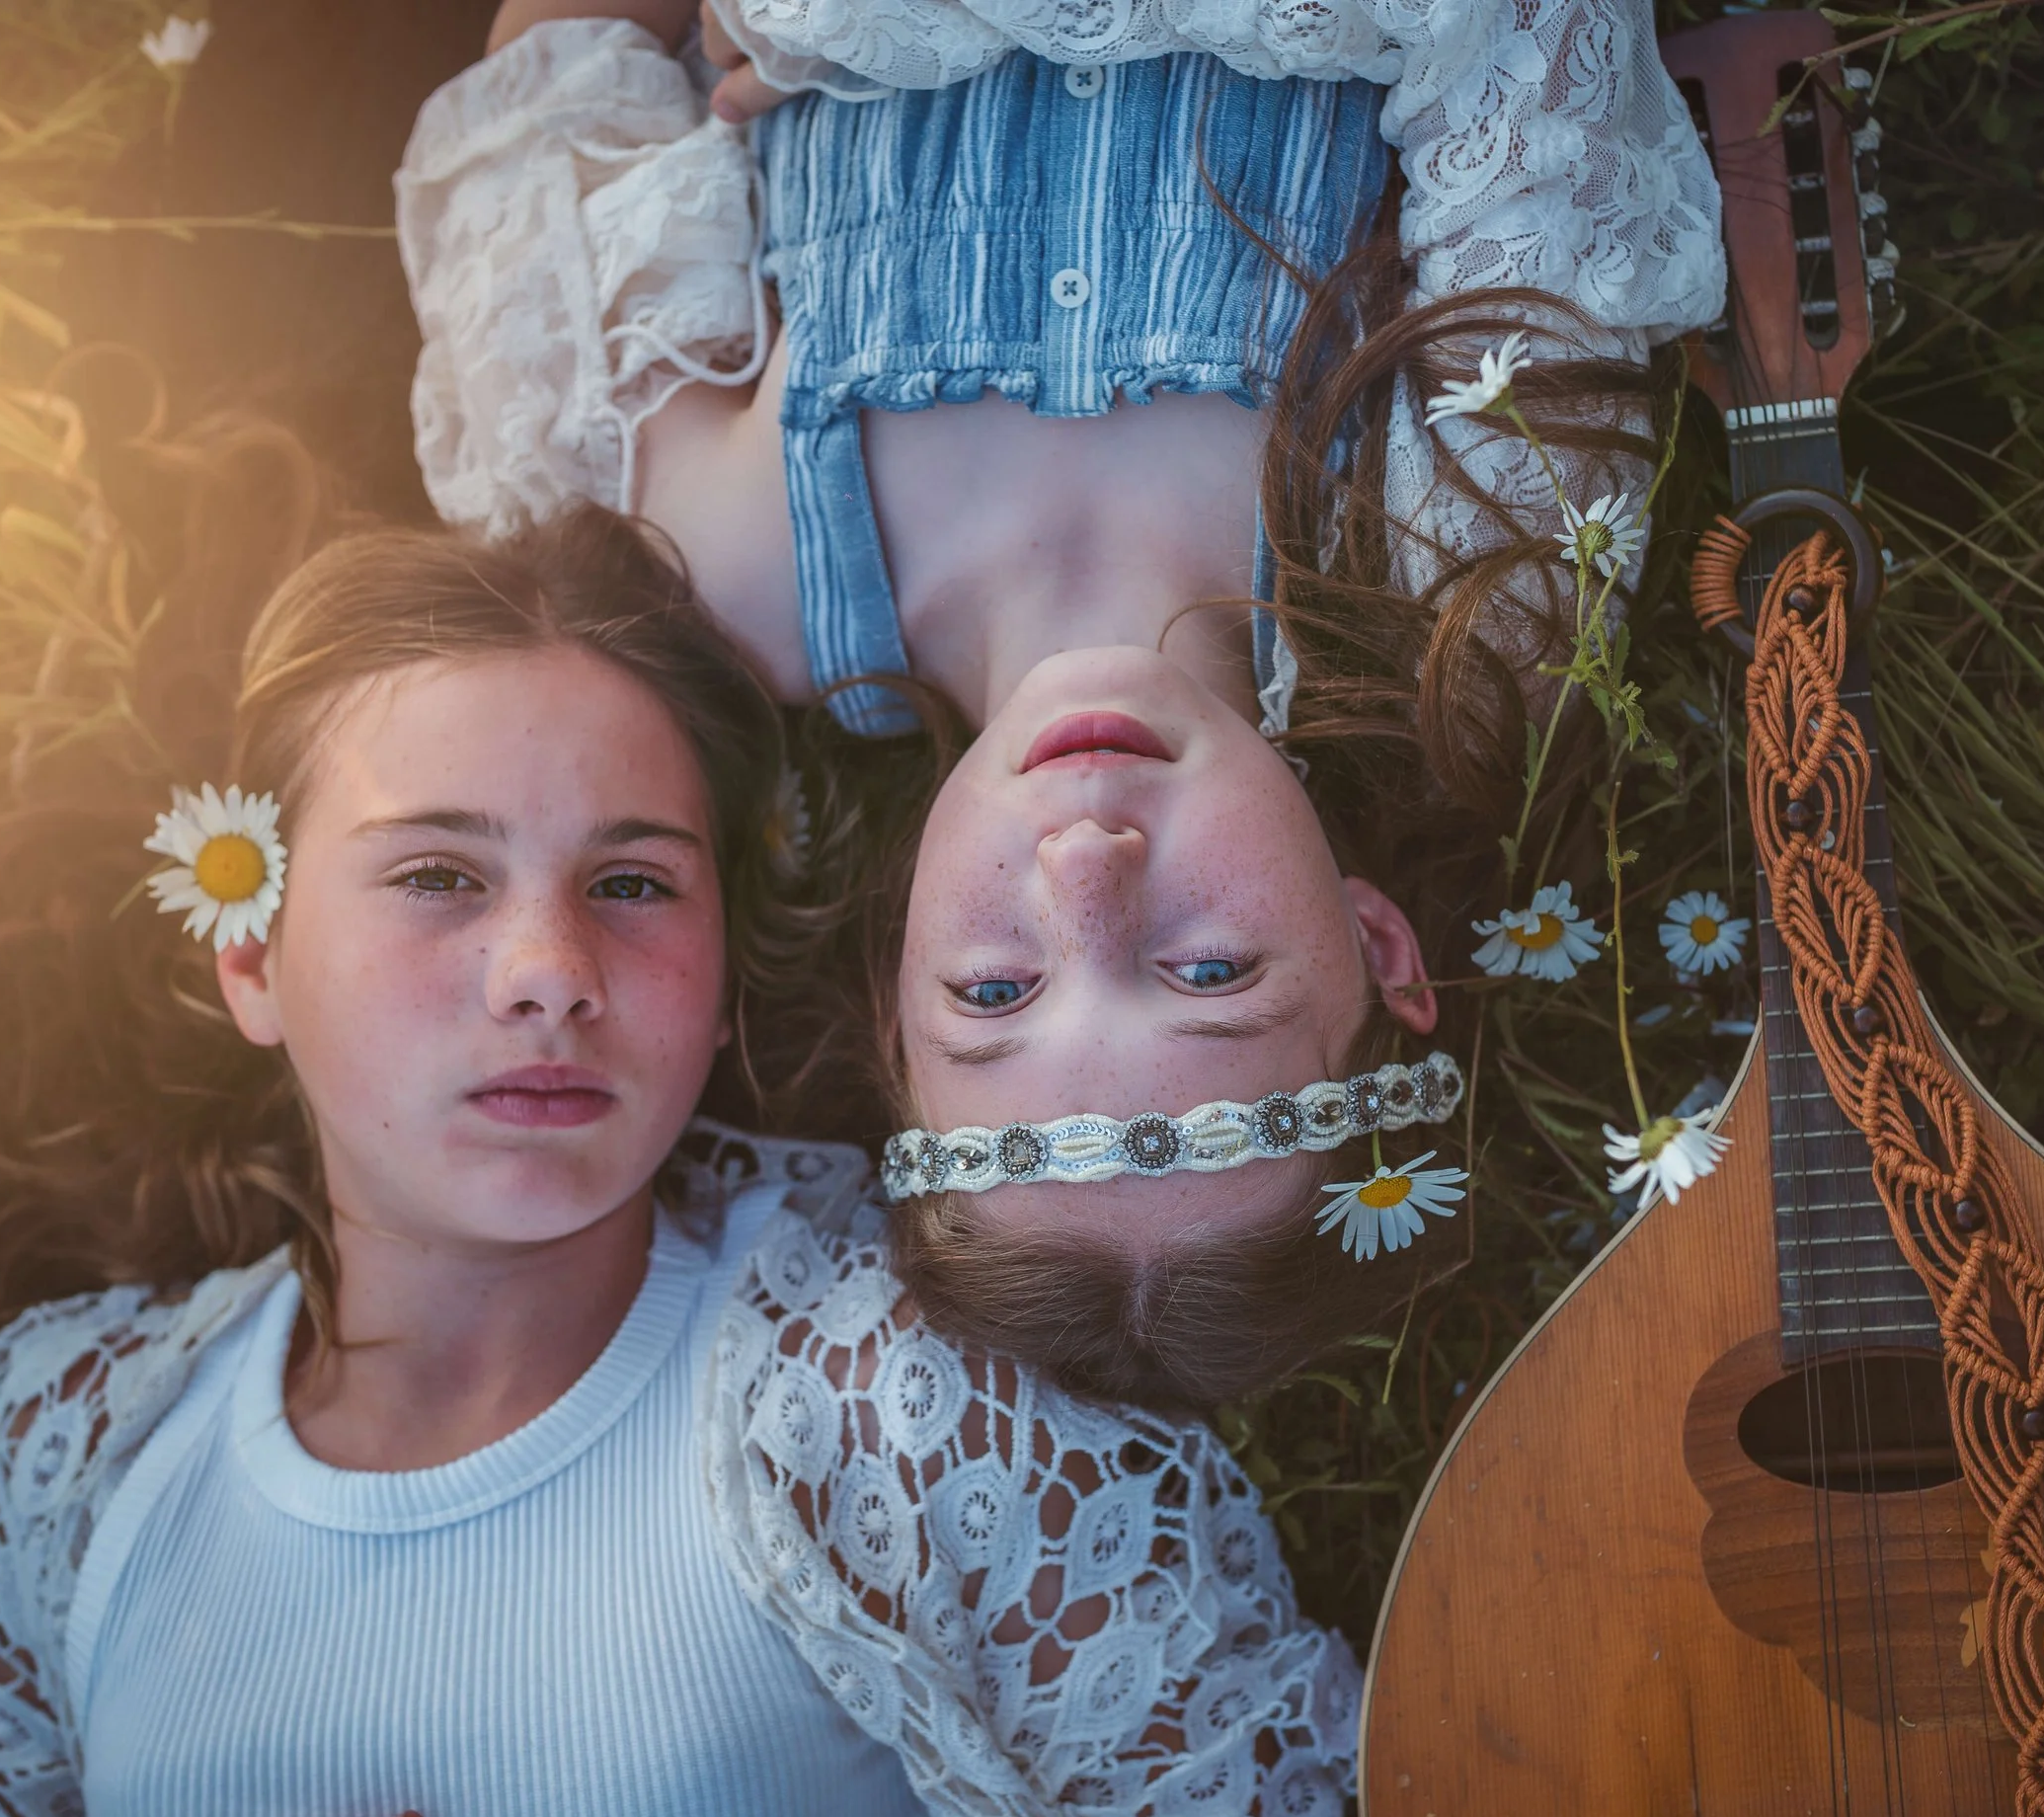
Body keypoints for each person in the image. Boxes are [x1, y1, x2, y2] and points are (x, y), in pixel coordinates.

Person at [0, 509, 1369, 1817]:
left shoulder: (921, 1412)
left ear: (723, 962)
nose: (548, 967)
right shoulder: (58, 1463)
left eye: (631, 885)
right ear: (249, 960)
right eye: (435, 877)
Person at [395, 0, 1722, 1403]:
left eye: (998, 990)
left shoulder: (698, 562)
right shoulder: (1465, 592)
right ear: (1377, 942)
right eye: (1210, 975)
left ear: (903, 998)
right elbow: (1526, 32)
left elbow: (567, 46)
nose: (1089, 868)